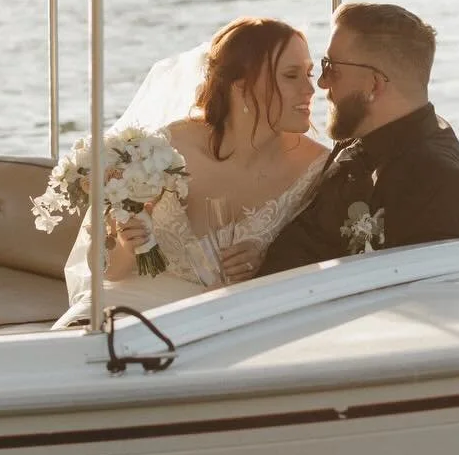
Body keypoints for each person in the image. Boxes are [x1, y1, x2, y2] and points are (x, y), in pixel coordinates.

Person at [60, 18, 327, 317]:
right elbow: (109, 270)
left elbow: (325, 258)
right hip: (129, 305)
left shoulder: (316, 167)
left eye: (309, 73)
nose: (310, 88)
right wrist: (126, 243)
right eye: (291, 76)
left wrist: (267, 265)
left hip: (231, 318)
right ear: (241, 84)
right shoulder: (163, 148)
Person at [257, 2, 459, 276]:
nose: (321, 83)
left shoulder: (437, 182)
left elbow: (426, 303)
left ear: (374, 84)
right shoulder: (359, 148)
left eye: (331, 68)